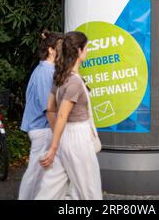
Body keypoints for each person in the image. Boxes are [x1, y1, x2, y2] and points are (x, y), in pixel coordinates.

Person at [35, 31, 102, 200]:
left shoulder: (59, 78)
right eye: (86, 48)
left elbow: (50, 109)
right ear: (78, 51)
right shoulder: (75, 82)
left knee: (50, 191)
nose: (87, 52)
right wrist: (53, 148)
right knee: (89, 191)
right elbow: (63, 114)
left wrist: (56, 139)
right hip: (79, 139)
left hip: (64, 137)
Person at [18, 30, 63, 200]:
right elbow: (49, 108)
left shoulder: (44, 69)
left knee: (40, 173)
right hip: (43, 129)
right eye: (61, 47)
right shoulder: (45, 72)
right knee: (35, 173)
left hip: (42, 128)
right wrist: (58, 136)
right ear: (51, 50)